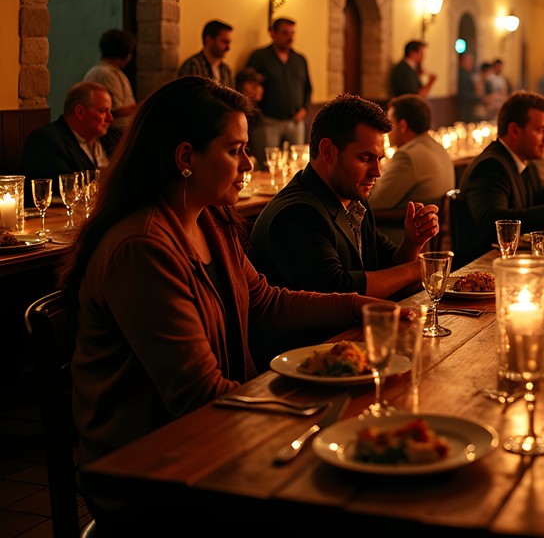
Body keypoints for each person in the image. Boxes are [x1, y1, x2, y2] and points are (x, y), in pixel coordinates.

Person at [65, 77, 380, 492]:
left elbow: (266, 302)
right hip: (152, 468)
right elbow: (197, 394)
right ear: (185, 157)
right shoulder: (142, 248)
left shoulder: (209, 219)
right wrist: (311, 407)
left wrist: (365, 308)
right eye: (235, 151)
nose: (248, 164)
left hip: (220, 434)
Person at [249, 93, 438, 300]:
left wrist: (413, 241)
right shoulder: (296, 214)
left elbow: (389, 268)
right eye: (365, 158)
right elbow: (339, 291)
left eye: (379, 159)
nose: (377, 172)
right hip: (318, 333)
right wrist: (419, 269)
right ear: (328, 151)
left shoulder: (353, 202)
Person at [453, 91, 544, 267]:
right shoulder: (491, 166)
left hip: (513, 260)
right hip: (483, 268)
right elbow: (493, 221)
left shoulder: (526, 161)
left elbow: (541, 198)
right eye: (541, 130)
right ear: (514, 130)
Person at [368, 94, 455, 245]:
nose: (387, 131)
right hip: (430, 238)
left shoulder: (407, 156)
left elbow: (375, 202)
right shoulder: (438, 147)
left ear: (402, 126)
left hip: (401, 238)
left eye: (390, 123)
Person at [22, 81, 112, 182]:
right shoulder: (45, 141)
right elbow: (63, 187)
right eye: (103, 111)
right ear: (80, 112)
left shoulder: (109, 141)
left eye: (110, 111)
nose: (110, 118)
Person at [245, 17, 312, 148]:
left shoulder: (300, 60)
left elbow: (307, 88)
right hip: (268, 121)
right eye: (285, 33)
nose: (290, 38)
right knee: (269, 163)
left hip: (295, 122)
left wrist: (305, 109)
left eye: (293, 33)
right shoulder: (259, 57)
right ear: (273, 34)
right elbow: (247, 86)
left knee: (296, 163)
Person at [82, 29, 137, 148]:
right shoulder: (106, 74)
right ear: (126, 54)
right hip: (110, 135)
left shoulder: (111, 71)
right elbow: (113, 111)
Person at [178, 19, 234, 87]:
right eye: (224, 42)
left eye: (229, 42)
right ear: (209, 40)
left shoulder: (226, 70)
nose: (228, 47)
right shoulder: (193, 65)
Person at [234, 67, 266, 164]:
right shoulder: (238, 112)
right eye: (253, 85)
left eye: (258, 85)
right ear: (240, 86)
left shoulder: (257, 111)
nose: (258, 89)